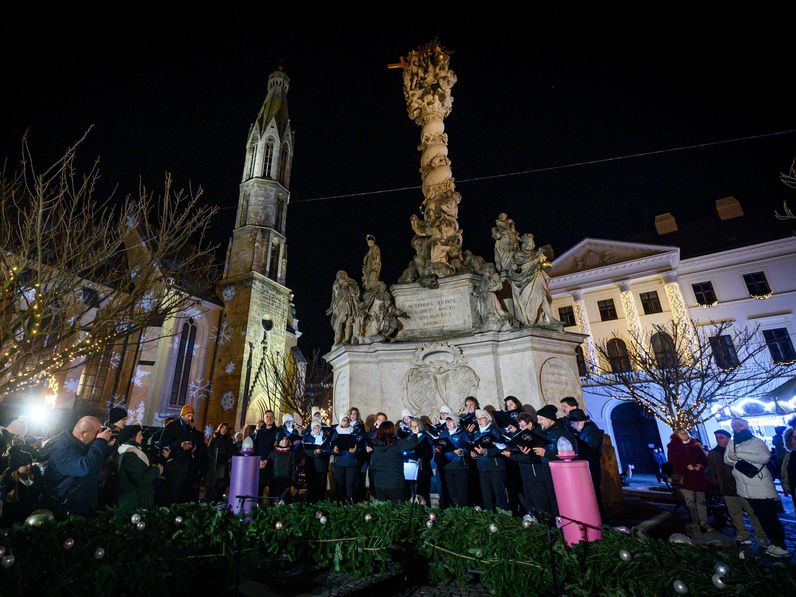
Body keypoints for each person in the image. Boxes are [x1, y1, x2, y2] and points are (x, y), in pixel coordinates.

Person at [724, 418, 789, 558]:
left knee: (769, 517)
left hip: (759, 484)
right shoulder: (732, 442)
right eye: (733, 425)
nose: (736, 427)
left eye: (739, 425)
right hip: (744, 486)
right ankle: (773, 543)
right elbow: (727, 459)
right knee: (761, 517)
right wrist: (732, 458)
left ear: (745, 426)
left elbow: (764, 457)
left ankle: (781, 546)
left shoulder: (756, 441)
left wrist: (739, 455)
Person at [39, 416, 112, 517]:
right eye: (96, 433)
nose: (98, 436)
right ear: (83, 434)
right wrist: (101, 442)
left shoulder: (79, 444)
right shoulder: (62, 448)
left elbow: (93, 461)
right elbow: (84, 468)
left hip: (78, 506)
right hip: (62, 510)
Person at [706, 429, 768, 547]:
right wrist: (715, 484)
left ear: (728, 438)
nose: (718, 439)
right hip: (727, 487)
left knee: (752, 513)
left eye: (721, 437)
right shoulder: (713, 453)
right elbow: (711, 470)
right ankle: (742, 533)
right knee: (735, 513)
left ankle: (761, 536)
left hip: (743, 485)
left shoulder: (738, 448)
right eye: (717, 437)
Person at [502, 412, 557, 521]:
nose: (521, 429)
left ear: (530, 424)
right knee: (530, 501)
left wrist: (512, 456)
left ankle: (548, 526)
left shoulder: (537, 436)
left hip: (537, 474)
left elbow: (536, 458)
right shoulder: (523, 435)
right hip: (526, 475)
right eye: (520, 426)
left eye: (523, 426)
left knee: (541, 503)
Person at [667, 428, 711, 532]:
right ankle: (695, 523)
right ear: (676, 435)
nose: (684, 434)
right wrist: (685, 466)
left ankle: (704, 522)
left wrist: (700, 465)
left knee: (701, 500)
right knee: (690, 501)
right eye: (681, 433)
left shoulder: (695, 444)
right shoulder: (673, 446)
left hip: (698, 477)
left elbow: (703, 459)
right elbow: (673, 462)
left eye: (685, 432)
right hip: (685, 478)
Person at [116, 425, 163, 514]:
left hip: (137, 500)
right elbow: (141, 478)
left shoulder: (134, 452)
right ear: (132, 437)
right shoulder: (131, 456)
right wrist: (157, 470)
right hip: (135, 503)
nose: (142, 437)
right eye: (139, 434)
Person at [367, 421, 418, 502]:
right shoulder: (397, 444)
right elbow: (413, 444)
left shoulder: (376, 445)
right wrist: (414, 433)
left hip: (380, 482)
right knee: (396, 511)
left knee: (382, 511)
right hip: (395, 483)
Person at [158, 405, 198, 504]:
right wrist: (180, 444)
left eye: (192, 416)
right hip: (174, 464)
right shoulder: (172, 426)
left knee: (183, 492)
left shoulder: (190, 428)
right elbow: (163, 444)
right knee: (172, 491)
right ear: (183, 415)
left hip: (186, 464)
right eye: (189, 415)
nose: (191, 418)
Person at [469, 409, 508, 511]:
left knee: (499, 494)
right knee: (487, 494)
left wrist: (486, 452)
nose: (480, 421)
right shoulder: (477, 433)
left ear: (488, 419)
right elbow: (477, 448)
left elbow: (502, 448)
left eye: (482, 418)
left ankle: (502, 517)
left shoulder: (494, 431)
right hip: (482, 468)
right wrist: (475, 455)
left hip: (495, 467)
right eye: (478, 419)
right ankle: (488, 517)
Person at [567, 409, 605, 515]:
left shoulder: (590, 432)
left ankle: (600, 518)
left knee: (593, 494)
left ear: (581, 421)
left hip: (591, 467)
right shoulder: (586, 430)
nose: (572, 426)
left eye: (573, 423)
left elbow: (588, 450)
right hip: (589, 466)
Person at [0, 446, 43, 527]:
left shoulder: (36, 475)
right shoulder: (8, 482)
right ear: (16, 466)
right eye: (24, 464)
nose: (29, 466)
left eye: (29, 462)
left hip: (33, 516)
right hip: (14, 520)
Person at [437, 414, 471, 507]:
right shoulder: (443, 433)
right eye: (447, 421)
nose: (448, 423)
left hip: (460, 465)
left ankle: (464, 511)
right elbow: (440, 445)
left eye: (450, 421)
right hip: (447, 465)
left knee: (461, 490)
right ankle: (453, 511)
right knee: (451, 490)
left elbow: (468, 448)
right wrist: (439, 449)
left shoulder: (462, 432)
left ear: (455, 422)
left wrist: (461, 451)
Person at [331, 415, 361, 503]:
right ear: (340, 422)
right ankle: (340, 502)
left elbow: (359, 445)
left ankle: (350, 501)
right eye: (343, 420)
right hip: (339, 461)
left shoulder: (353, 431)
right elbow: (331, 446)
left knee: (350, 483)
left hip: (351, 462)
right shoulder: (336, 432)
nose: (345, 422)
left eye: (347, 420)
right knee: (340, 483)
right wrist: (334, 450)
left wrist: (355, 450)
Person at [407, 417, 434, 505]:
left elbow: (429, 454)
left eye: (416, 426)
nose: (414, 428)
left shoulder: (426, 437)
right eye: (412, 426)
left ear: (420, 426)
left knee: (424, 493)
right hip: (411, 469)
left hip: (423, 469)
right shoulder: (408, 438)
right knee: (412, 493)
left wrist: (420, 456)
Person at [303, 421, 331, 502]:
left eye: (318, 427)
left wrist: (322, 452)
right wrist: (314, 452)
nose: (317, 429)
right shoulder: (307, 437)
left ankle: (321, 504)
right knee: (311, 487)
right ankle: (311, 504)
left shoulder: (325, 437)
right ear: (312, 428)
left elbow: (328, 450)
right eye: (315, 428)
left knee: (321, 487)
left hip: (321, 466)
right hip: (311, 466)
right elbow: (304, 451)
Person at [266, 434, 298, 504]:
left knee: (285, 504)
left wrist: (293, 484)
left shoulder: (292, 453)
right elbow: (268, 470)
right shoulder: (272, 454)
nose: (285, 441)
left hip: (287, 483)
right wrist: (267, 484)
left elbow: (294, 470)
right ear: (278, 441)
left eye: (286, 439)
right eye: (282, 439)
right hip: (274, 483)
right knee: (274, 504)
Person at [206, 423, 233, 502]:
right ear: (219, 428)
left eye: (226, 428)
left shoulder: (229, 440)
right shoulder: (214, 439)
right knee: (211, 485)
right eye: (222, 428)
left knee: (221, 485)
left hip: (223, 465)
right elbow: (209, 451)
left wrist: (224, 457)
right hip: (213, 464)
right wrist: (214, 459)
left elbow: (230, 452)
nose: (224, 430)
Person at [254, 410, 279, 498]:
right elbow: (255, 447)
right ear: (264, 419)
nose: (269, 418)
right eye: (267, 417)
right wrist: (258, 461)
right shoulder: (260, 432)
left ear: (274, 418)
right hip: (260, 464)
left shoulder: (278, 431)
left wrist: (267, 460)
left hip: (272, 463)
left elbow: (276, 448)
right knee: (259, 488)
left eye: (271, 416)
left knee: (272, 489)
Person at [781, 428, 795, 511]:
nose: (793, 441)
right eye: (791, 439)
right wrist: (786, 486)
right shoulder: (789, 455)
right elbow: (785, 472)